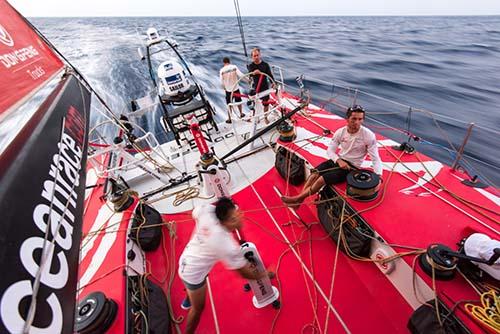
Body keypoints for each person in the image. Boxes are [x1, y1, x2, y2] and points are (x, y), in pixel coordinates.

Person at [178, 197, 274, 334]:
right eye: (235, 218)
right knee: (198, 308)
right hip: (193, 274)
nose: (240, 218)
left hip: (186, 258)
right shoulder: (226, 245)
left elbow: (195, 212)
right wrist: (265, 274)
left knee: (196, 281)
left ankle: (187, 299)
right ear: (226, 221)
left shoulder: (207, 210)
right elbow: (244, 273)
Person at [281, 105, 383, 207]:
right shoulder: (340, 132)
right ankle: (299, 201)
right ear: (347, 119)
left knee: (321, 179)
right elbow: (330, 150)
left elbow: (375, 158)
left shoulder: (368, 135)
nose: (357, 122)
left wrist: (378, 176)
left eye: (360, 119)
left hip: (351, 167)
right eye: (354, 119)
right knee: (314, 174)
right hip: (338, 160)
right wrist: (338, 160)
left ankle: (298, 199)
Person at [247, 48, 275, 124]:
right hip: (256, 88)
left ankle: (265, 117)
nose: (256, 57)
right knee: (255, 104)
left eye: (257, 55)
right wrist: (253, 72)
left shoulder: (265, 65)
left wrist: (273, 83)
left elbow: (270, 75)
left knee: (266, 104)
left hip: (265, 87)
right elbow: (250, 73)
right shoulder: (251, 66)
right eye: (254, 56)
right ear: (252, 57)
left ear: (260, 55)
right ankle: (256, 118)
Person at [219, 57, 246, 123]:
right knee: (239, 102)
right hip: (236, 88)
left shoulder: (222, 70)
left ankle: (229, 118)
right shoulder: (234, 67)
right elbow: (240, 75)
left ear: (224, 63)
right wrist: (248, 80)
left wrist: (224, 88)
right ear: (229, 61)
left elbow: (221, 82)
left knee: (229, 105)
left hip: (228, 90)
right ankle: (241, 114)